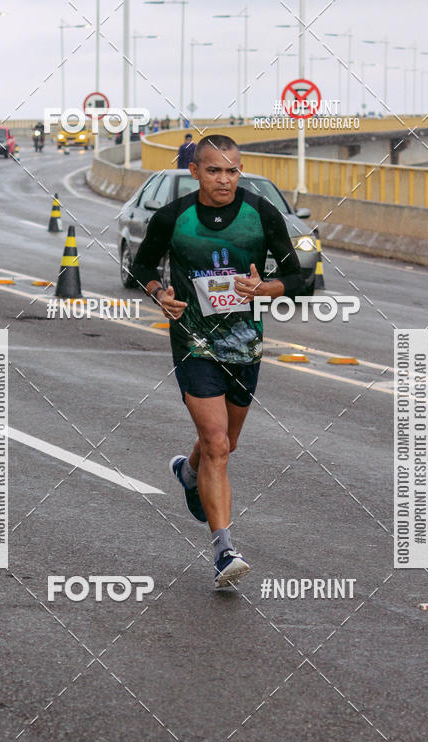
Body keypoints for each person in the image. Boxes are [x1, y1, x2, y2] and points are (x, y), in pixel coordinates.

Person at [132, 134, 308, 589]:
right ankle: (224, 549)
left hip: (245, 344)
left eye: (232, 170)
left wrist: (267, 289)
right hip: (194, 343)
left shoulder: (260, 214)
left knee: (225, 445)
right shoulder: (174, 217)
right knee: (214, 442)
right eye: (214, 170)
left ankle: (189, 475)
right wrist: (160, 295)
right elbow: (142, 266)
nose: (224, 179)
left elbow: (297, 275)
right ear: (195, 172)